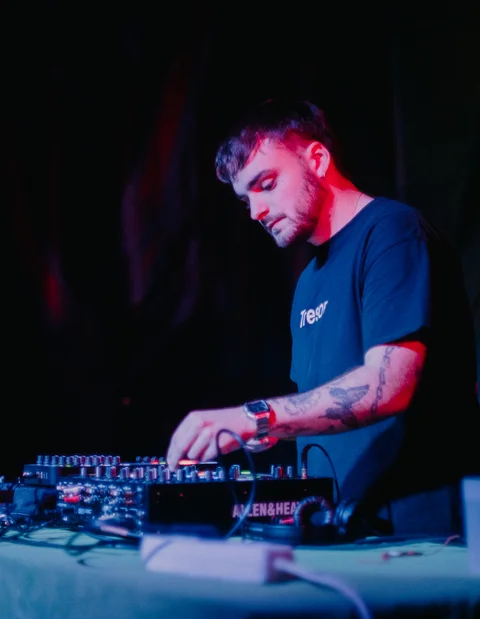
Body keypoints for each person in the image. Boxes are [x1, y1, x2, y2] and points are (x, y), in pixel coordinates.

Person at [166, 97, 480, 537]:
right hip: (346, 529)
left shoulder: (392, 232)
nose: (256, 212)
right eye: (245, 200)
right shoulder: (308, 283)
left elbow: (388, 385)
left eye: (266, 184)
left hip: (421, 535)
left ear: (316, 159)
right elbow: (324, 403)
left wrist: (255, 416)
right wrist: (271, 433)